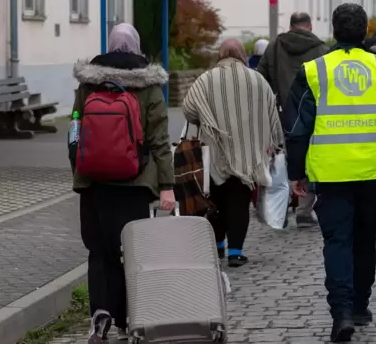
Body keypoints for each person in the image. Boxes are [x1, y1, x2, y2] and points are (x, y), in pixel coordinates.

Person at [283, 3, 376, 343]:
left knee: (337, 241)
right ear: (363, 31)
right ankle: (360, 306)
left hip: (331, 172)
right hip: (375, 170)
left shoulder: (314, 71)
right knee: (365, 239)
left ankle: (341, 312)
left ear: (333, 29)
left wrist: (295, 172)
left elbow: (298, 128)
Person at [72, 23, 176, 342]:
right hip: (135, 182)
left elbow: (75, 130)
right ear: (137, 46)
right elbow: (159, 140)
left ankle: (100, 313)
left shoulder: (89, 82)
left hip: (93, 182)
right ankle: (129, 318)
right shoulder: (148, 85)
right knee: (131, 251)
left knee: (99, 251)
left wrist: (79, 166)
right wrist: (167, 185)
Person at [183, 38, 283, 268]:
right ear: (242, 55)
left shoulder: (206, 79)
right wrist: (277, 143)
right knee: (239, 201)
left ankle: (218, 244)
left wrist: (205, 118)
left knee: (215, 200)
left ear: (219, 55)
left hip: (214, 152)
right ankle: (236, 251)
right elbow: (271, 113)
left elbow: (188, 110)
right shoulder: (257, 79)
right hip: (248, 154)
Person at [257, 12, 328, 227]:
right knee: (309, 158)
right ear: (310, 25)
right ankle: (305, 210)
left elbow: (261, 77)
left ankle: (280, 208)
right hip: (311, 112)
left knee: (280, 159)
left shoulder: (274, 46)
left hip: (280, 112)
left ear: (290, 26)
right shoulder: (321, 49)